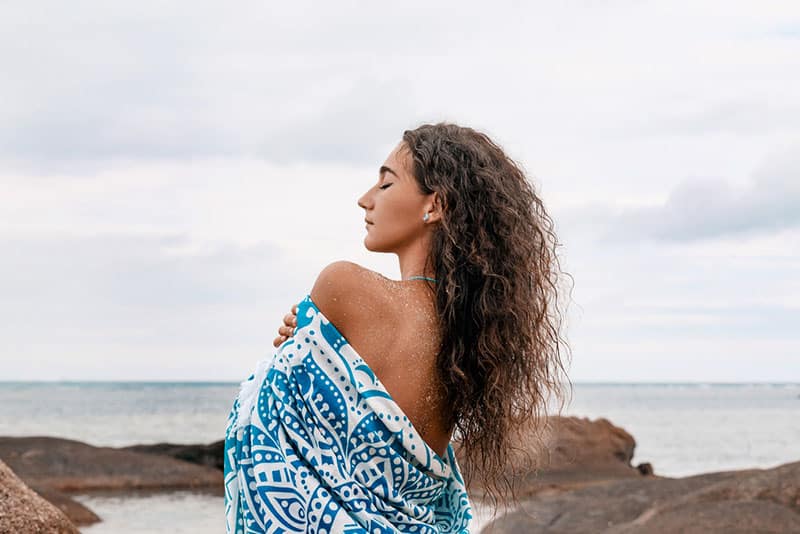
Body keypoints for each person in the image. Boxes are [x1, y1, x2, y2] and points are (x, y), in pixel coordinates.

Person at [225, 122, 572, 533]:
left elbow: (269, 427)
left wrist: (290, 350)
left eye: (385, 184)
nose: (364, 200)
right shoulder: (471, 337)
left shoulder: (345, 287)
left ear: (435, 205)